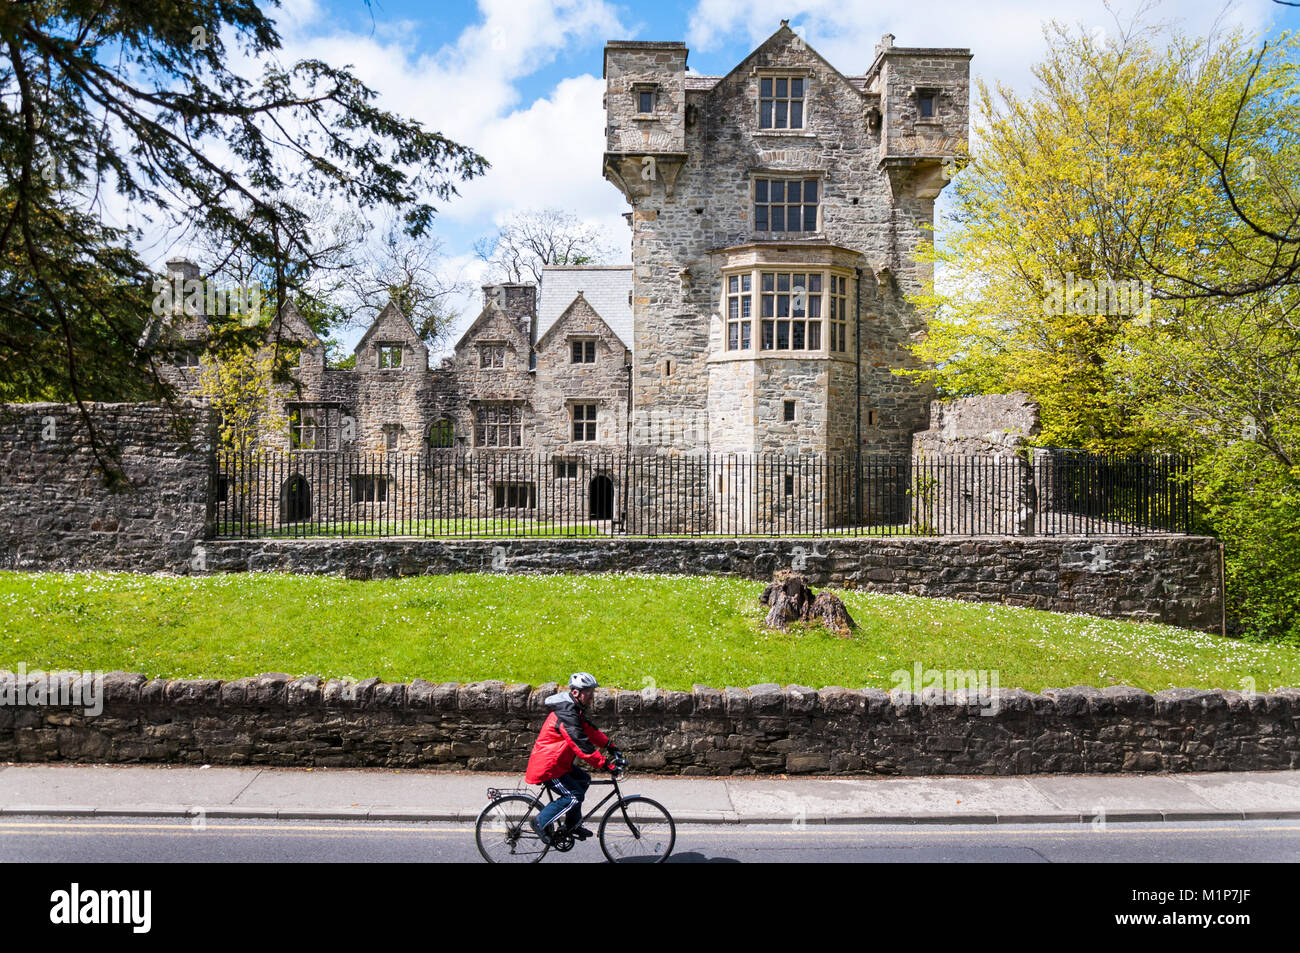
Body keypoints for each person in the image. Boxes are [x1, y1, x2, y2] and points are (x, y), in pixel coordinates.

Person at [526, 672, 619, 843]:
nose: (592, 696)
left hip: (559, 764)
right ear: (576, 693)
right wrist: (606, 764)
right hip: (549, 767)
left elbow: (589, 731)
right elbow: (580, 744)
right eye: (588, 692)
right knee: (574, 795)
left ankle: (572, 824)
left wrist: (610, 746)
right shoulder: (566, 714)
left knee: (583, 780)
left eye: (592, 691)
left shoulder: (574, 710)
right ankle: (539, 822)